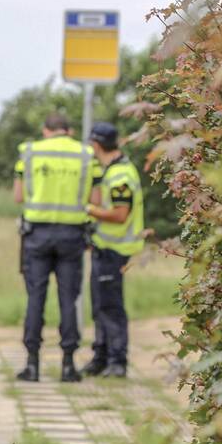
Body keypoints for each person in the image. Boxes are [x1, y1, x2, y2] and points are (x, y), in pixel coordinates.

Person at [13, 113, 96, 382]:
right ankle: (69, 365)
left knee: (35, 298)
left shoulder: (29, 153)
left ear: (45, 130)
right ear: (69, 130)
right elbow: (95, 199)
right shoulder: (85, 155)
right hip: (72, 236)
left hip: (37, 234)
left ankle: (33, 364)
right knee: (68, 300)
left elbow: (18, 196)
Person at [82, 122, 146, 379]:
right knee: (100, 305)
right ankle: (101, 357)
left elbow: (120, 215)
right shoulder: (112, 170)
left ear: (96, 144)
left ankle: (117, 360)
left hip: (115, 249)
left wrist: (88, 210)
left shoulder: (120, 176)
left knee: (110, 306)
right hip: (104, 247)